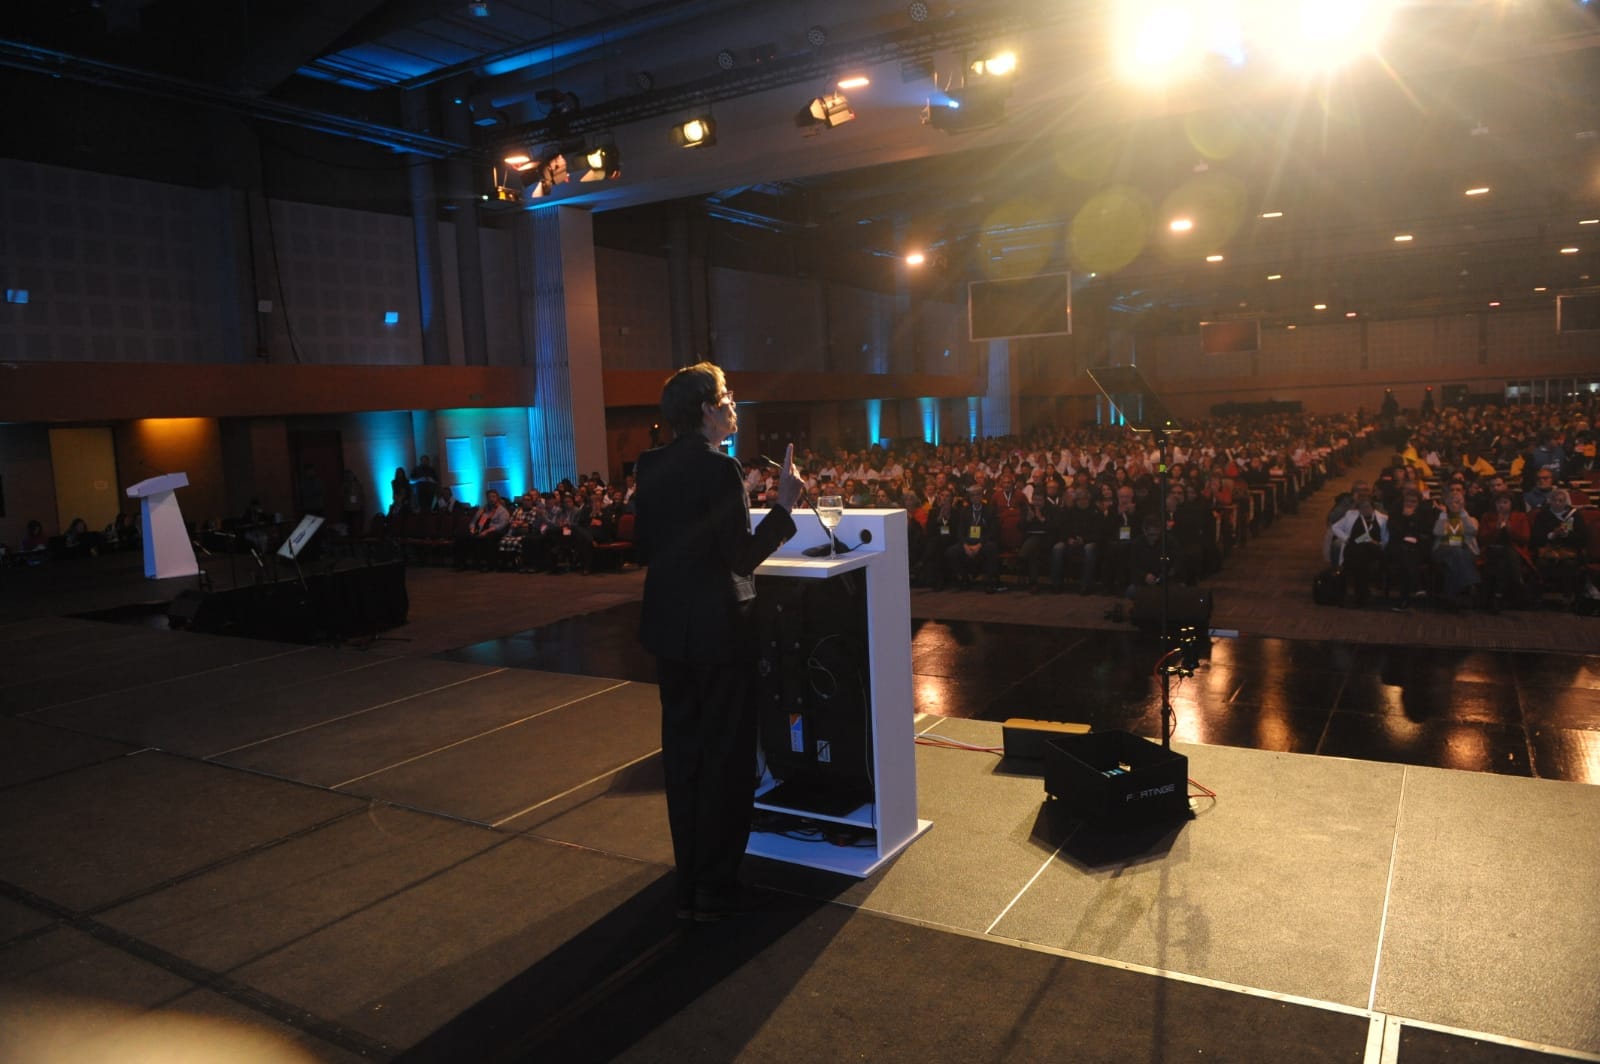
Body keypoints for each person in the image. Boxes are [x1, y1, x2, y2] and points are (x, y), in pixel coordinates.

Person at [634, 362, 801, 922]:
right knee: (728, 759)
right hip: (719, 633)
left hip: (668, 630)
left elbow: (645, 546)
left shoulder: (650, 464)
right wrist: (783, 506)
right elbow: (742, 558)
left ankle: (689, 880)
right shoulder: (720, 467)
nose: (733, 404)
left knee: (684, 757)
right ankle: (717, 886)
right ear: (707, 409)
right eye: (727, 396)